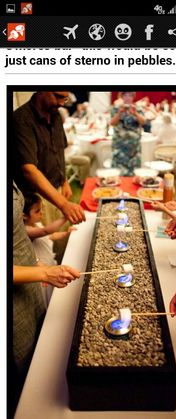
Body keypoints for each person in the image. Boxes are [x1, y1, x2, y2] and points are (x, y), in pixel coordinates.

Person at [12, 183, 81, 414]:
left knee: (40, 348)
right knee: (20, 364)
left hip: (29, 281)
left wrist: (39, 266)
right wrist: (44, 272)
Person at [13, 91, 85, 225]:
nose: (61, 103)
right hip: (38, 198)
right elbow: (29, 170)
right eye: (58, 97)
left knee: (62, 238)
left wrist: (64, 181)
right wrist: (63, 204)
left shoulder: (55, 114)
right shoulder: (20, 119)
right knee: (47, 242)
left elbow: (59, 151)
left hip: (57, 188)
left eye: (65, 98)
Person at [23, 192, 76, 265]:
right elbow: (45, 231)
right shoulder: (26, 230)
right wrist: (66, 217)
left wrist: (66, 233)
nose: (41, 213)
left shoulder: (37, 224)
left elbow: (50, 236)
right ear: (24, 216)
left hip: (51, 262)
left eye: (41, 209)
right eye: (37, 211)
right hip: (43, 268)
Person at [110, 91, 145, 176]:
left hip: (134, 147)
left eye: (130, 95)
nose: (127, 98)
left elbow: (143, 122)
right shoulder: (116, 108)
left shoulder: (138, 108)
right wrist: (119, 113)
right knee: (118, 172)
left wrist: (135, 113)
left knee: (134, 171)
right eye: (125, 95)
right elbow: (112, 123)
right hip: (119, 146)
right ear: (122, 97)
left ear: (133, 97)